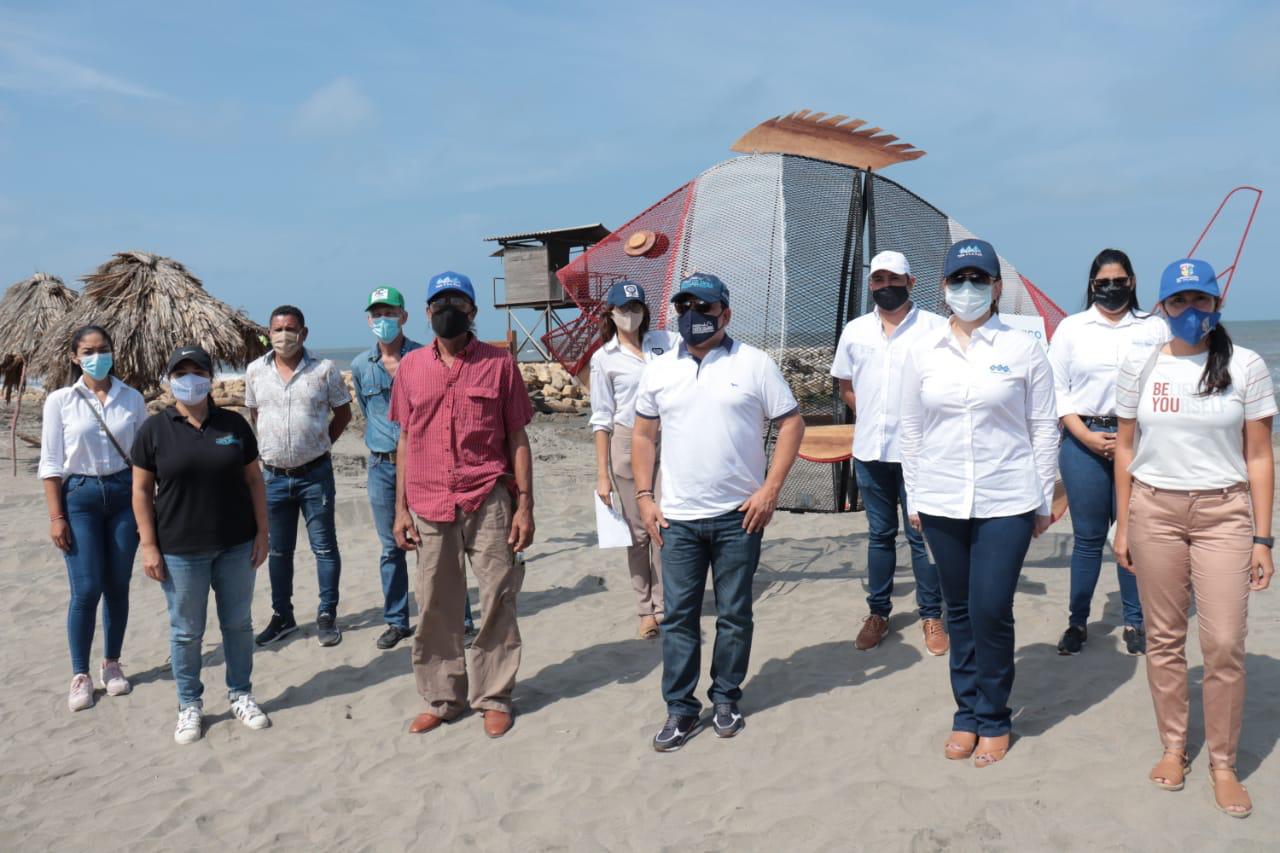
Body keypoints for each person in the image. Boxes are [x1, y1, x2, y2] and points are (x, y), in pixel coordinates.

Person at [1113, 258, 1275, 818]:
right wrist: (1123, 521)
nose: (1189, 312)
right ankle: (1175, 747)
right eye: (1178, 302)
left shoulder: (1247, 366)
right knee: (1163, 638)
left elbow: (1258, 455)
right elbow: (1126, 448)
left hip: (1225, 515)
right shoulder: (1140, 364)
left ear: (1216, 305)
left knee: (1225, 642)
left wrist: (1262, 537)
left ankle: (1223, 762)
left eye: (1199, 301)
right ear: (1162, 307)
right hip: (1154, 512)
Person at [900, 239, 1057, 768]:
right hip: (941, 498)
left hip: (1007, 497)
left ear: (996, 286)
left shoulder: (1022, 349)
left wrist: (1041, 496)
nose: (968, 288)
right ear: (943, 287)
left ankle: (994, 717)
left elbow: (1042, 427)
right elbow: (912, 429)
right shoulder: (922, 352)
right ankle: (965, 714)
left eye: (978, 278)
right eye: (958, 279)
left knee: (991, 609)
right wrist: (917, 496)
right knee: (959, 610)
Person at [632, 273, 805, 752]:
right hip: (678, 518)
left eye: (704, 308)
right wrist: (645, 497)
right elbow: (643, 435)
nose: (694, 317)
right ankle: (681, 710)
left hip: (738, 516)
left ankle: (726, 697)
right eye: (684, 307)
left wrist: (770, 490)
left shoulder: (755, 364)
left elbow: (792, 423)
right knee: (680, 617)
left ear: (726, 314)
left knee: (734, 614)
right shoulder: (661, 368)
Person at [391, 271, 534, 739]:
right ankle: (442, 697)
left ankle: (493, 696)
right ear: (427, 311)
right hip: (429, 500)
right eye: (438, 302)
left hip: (487, 496)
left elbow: (517, 436)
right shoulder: (411, 367)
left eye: (457, 301)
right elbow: (406, 439)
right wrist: (400, 509)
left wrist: (525, 505)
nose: (447, 309)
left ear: (473, 310)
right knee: (435, 603)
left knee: (497, 597)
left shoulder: (499, 364)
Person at [131, 346, 271, 744]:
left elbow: (255, 481)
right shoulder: (155, 429)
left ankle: (241, 694)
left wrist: (263, 533)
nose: (189, 379)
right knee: (186, 632)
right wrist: (149, 545)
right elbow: (141, 491)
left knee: (238, 625)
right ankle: (189, 704)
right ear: (169, 379)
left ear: (211, 377)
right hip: (179, 549)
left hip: (236, 544)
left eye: (197, 371)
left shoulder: (234, 425)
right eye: (181, 372)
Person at [1048, 248, 1168, 656]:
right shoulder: (1072, 328)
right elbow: (1057, 391)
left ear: (1132, 282)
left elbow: (1172, 381)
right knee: (1088, 537)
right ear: (1092, 285)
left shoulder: (1155, 327)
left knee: (1131, 534)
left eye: (1119, 281)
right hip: (1085, 441)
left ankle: (1135, 622)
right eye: (1103, 283)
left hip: (1139, 442)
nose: (1112, 288)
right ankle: (1077, 621)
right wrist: (1086, 436)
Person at [830, 250, 948, 655]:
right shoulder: (856, 330)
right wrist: (874, 417)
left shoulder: (936, 328)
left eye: (894, 279)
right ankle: (878, 613)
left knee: (922, 534)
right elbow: (846, 385)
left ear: (911, 282)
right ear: (870, 285)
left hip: (920, 453)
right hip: (870, 451)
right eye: (878, 280)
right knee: (879, 535)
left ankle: (931, 615)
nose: (886, 286)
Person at [39, 325, 147, 712]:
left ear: (113, 352)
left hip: (122, 495)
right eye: (88, 350)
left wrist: (144, 508)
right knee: (86, 589)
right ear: (74, 356)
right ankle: (80, 673)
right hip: (79, 497)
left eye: (103, 349)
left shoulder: (131, 398)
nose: (96, 356)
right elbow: (51, 464)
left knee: (118, 585)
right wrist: (56, 516)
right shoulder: (60, 400)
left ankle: (112, 663)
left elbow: (142, 460)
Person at [246, 305, 352, 647]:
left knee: (324, 547)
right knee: (278, 552)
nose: (283, 335)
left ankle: (327, 615)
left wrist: (321, 443)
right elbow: (255, 414)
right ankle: (283, 617)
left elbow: (343, 413)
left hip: (315, 475)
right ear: (268, 332)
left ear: (304, 333)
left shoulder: (324, 369)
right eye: (277, 329)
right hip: (273, 477)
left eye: (290, 329)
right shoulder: (254, 371)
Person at [588, 280, 680, 640]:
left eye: (637, 307)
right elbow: (601, 417)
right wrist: (602, 475)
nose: (631, 315)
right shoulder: (603, 358)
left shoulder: (665, 342)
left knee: (665, 527)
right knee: (637, 534)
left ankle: (665, 604)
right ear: (610, 312)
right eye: (624, 308)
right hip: (626, 442)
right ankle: (646, 610)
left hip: (666, 439)